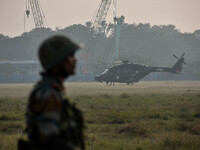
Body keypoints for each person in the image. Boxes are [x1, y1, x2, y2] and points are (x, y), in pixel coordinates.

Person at [18, 36, 85, 150]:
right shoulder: (48, 92)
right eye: (70, 56)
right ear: (58, 62)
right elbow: (50, 140)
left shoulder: (52, 89)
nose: (75, 60)